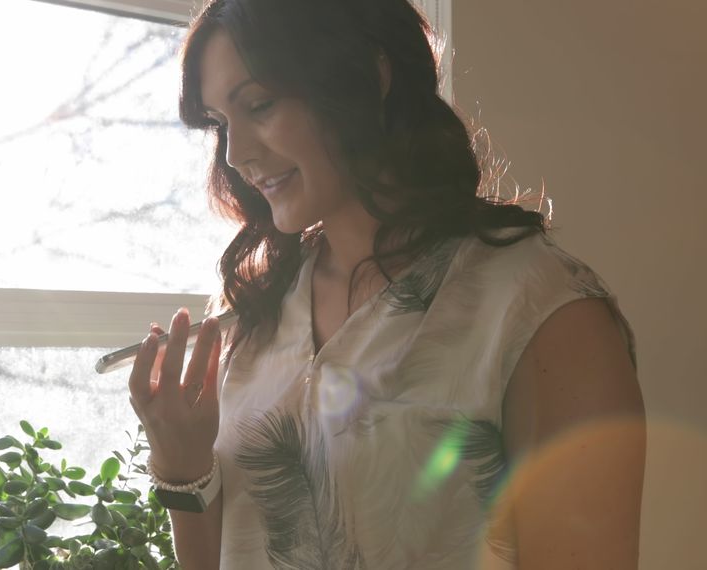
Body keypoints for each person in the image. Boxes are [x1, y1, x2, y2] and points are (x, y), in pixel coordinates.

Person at [127, 0, 645, 568]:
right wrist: (181, 466)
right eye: (220, 123)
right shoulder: (255, 312)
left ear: (368, 76)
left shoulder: (541, 312)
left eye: (260, 105)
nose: (236, 154)